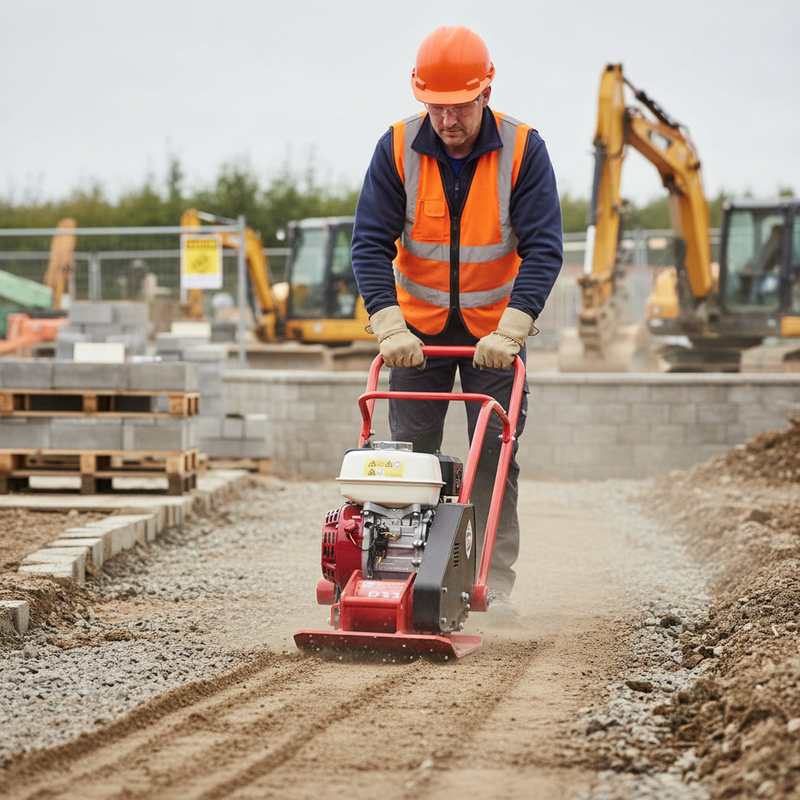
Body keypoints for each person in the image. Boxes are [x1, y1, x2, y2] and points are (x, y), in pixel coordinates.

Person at [350, 25, 563, 614]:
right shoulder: (396, 148)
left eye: (460, 106)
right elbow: (370, 243)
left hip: (495, 335)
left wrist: (513, 328)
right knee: (406, 459)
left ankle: (490, 583)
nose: (448, 119)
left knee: (493, 454)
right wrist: (389, 326)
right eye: (436, 107)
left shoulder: (524, 149)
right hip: (415, 336)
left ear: (486, 92)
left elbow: (544, 247)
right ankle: (398, 579)